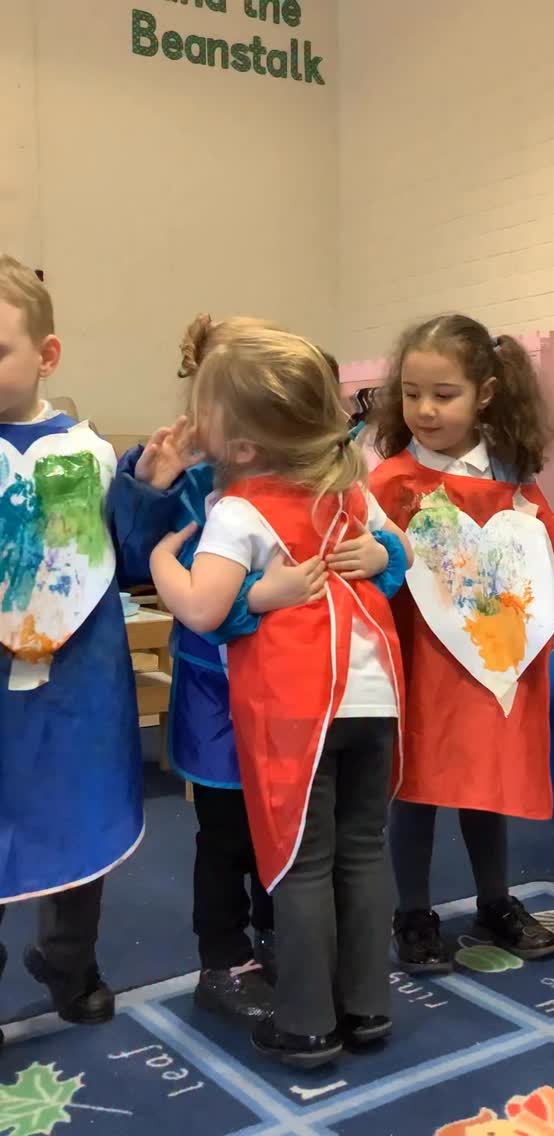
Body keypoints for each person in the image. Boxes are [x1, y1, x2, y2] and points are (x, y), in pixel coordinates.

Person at [117, 314, 409, 1023]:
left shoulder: (322, 476)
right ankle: (226, 956)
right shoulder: (185, 477)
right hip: (223, 695)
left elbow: (373, 568)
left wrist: (387, 559)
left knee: (306, 837)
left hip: (301, 698)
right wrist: (150, 490)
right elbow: (140, 568)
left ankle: (292, 946)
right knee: (229, 836)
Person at [370, 314, 554, 972]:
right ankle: (412, 914)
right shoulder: (391, 482)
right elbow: (375, 576)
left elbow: (552, 557)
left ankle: (495, 901)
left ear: (485, 394)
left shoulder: (511, 479)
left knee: (483, 780)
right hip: (421, 663)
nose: (424, 410)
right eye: (411, 394)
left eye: (444, 394)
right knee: (418, 784)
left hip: (491, 664)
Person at [0, 256, 180, 1039]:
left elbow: (132, 559)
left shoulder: (90, 451)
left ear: (47, 355)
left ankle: (69, 960)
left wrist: (150, 486)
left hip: (77, 686)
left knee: (79, 819)